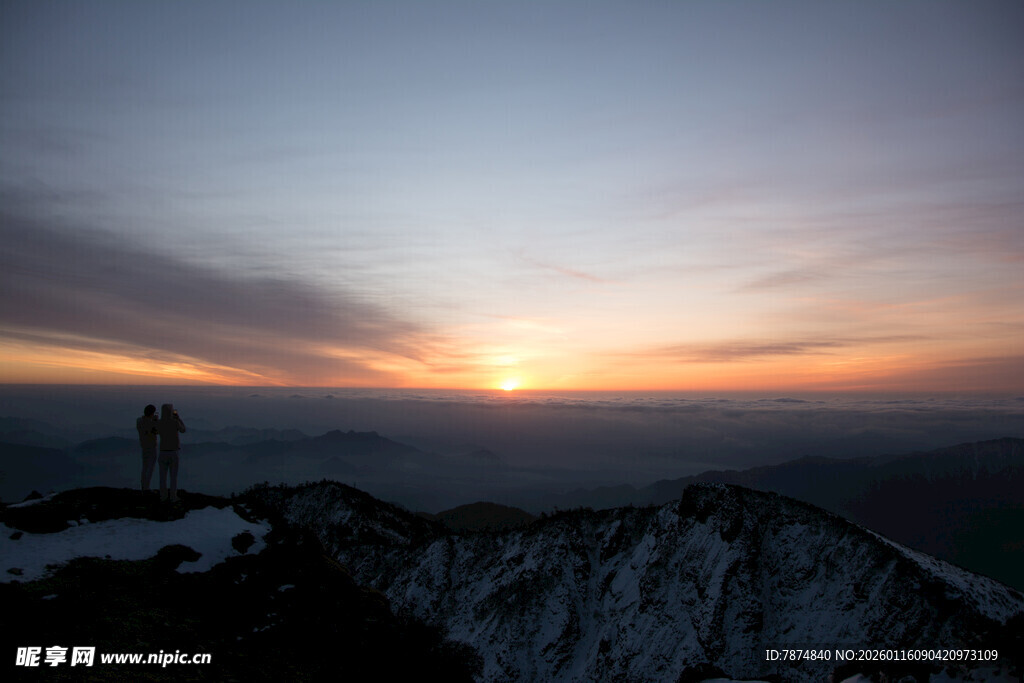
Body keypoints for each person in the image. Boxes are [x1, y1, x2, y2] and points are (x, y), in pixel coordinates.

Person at [157, 403, 187, 503]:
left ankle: (163, 496)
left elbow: (155, 431)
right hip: (173, 451)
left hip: (162, 452)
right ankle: (173, 496)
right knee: (173, 476)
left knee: (162, 476)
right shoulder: (174, 422)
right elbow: (183, 430)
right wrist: (178, 418)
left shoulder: (159, 422)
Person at [136, 404, 159, 492]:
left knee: (145, 467)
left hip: (144, 446)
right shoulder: (150, 423)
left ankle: (144, 486)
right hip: (151, 447)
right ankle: (146, 487)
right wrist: (155, 422)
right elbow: (156, 431)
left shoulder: (139, 421)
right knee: (150, 468)